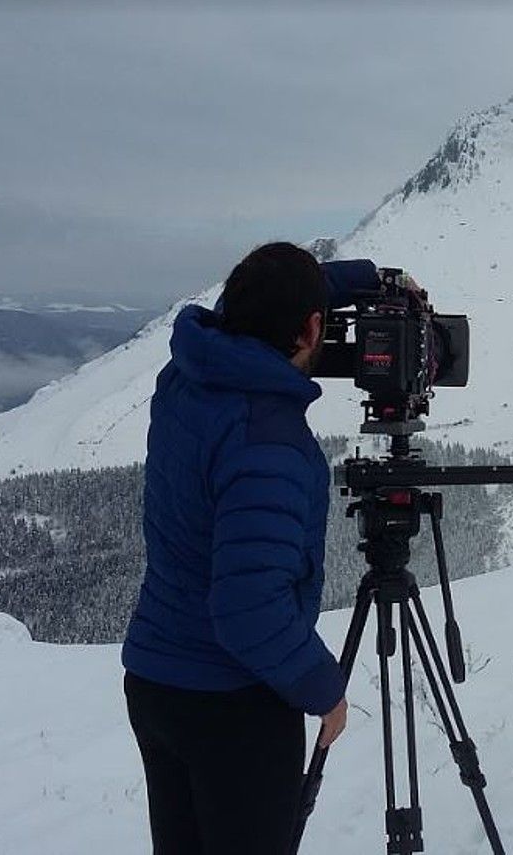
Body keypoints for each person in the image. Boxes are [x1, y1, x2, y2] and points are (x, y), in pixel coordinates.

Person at [121, 242, 348, 854]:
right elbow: (248, 609)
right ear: (310, 328)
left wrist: (362, 282)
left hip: (155, 682)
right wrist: (323, 690)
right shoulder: (270, 442)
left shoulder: (188, 375)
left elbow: (244, 307)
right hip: (230, 706)